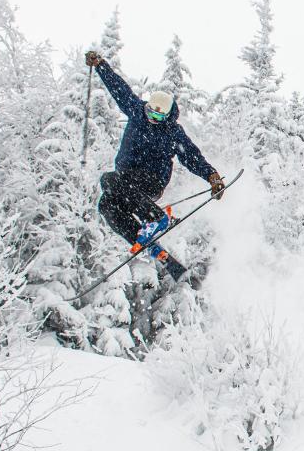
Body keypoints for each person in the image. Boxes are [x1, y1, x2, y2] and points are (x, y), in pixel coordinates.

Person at [85, 50, 226, 283]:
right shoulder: (136, 110)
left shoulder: (172, 133)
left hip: (151, 181)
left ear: (168, 116)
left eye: (159, 117)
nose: (152, 119)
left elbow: (192, 157)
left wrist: (212, 176)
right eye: (150, 113)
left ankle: (155, 218)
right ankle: (141, 237)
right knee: (106, 204)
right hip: (126, 181)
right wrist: (101, 65)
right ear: (147, 107)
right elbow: (117, 87)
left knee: (109, 180)